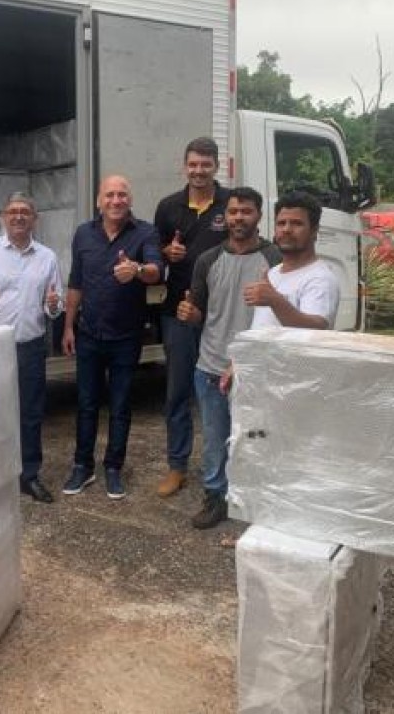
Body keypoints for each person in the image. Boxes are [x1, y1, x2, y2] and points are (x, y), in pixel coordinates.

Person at [176, 187, 281, 529]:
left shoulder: (275, 260)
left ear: (259, 216)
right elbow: (199, 312)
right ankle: (215, 496)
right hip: (211, 365)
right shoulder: (207, 260)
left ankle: (254, 500)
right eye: (234, 211)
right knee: (214, 440)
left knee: (257, 437)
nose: (239, 218)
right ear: (225, 216)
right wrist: (189, 313)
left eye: (246, 211)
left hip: (256, 369)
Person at [61, 175, 162, 500]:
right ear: (98, 201)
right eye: (109, 195)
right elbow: (76, 282)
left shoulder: (145, 232)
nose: (116, 200)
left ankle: (114, 468)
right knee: (86, 404)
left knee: (120, 406)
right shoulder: (83, 234)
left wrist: (137, 270)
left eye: (122, 195)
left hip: (126, 337)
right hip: (89, 334)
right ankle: (83, 466)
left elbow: (156, 270)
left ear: (129, 200)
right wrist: (68, 326)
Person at [0, 192, 64, 503]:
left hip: (30, 347)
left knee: (31, 414)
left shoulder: (47, 257)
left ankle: (28, 476)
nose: (19, 216)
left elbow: (54, 305)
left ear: (35, 219)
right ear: (2, 218)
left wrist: (53, 305)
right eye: (13, 211)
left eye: (25, 212)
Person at [152, 137, 231, 498]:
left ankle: (228, 468)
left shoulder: (230, 204)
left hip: (222, 314)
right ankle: (177, 467)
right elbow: (153, 253)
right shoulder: (168, 207)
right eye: (193, 165)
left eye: (206, 165)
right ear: (184, 166)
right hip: (179, 312)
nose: (199, 171)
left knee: (224, 392)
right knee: (177, 392)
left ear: (217, 166)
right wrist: (166, 253)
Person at [244, 191, 340, 330]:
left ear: (314, 231)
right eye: (281, 223)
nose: (287, 229)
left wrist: (275, 301)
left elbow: (316, 329)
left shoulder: (321, 278)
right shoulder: (273, 273)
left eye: (297, 224)